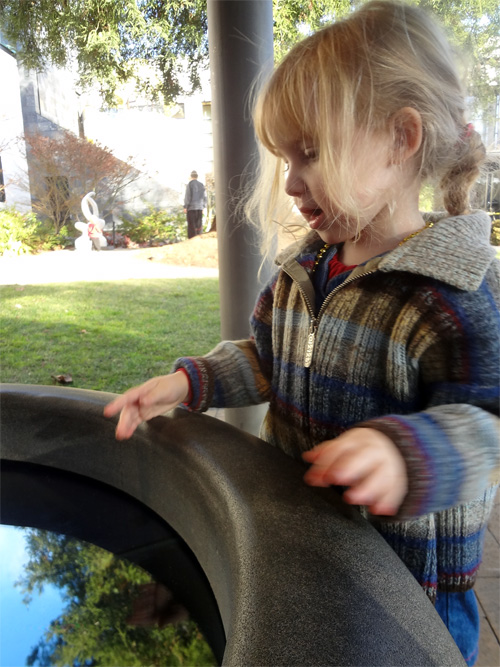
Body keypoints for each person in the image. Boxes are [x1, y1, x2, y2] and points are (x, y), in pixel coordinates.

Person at [105, 2, 500, 663]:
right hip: (299, 553)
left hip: (407, 598)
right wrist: (190, 382)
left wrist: (406, 455)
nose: (290, 182)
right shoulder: (304, 271)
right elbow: (266, 359)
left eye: (310, 152)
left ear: (401, 139)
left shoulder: (452, 291)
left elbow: (488, 423)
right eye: (284, 158)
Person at [183, 170, 207, 238]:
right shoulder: (201, 185)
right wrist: (204, 206)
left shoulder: (189, 184)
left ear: (191, 176)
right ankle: (199, 236)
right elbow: (205, 196)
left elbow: (188, 196)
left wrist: (185, 206)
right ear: (197, 176)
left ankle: (192, 238)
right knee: (199, 224)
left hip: (191, 208)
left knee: (191, 224)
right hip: (200, 207)